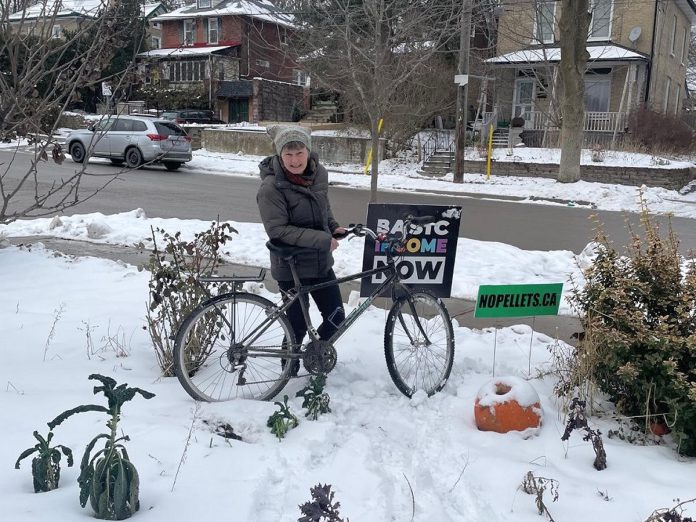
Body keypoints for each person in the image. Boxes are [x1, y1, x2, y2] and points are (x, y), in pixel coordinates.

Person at [257, 125, 346, 356]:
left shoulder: (319, 174)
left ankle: (312, 356)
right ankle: (289, 372)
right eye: (288, 154)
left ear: (308, 151)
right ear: (279, 155)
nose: (295, 160)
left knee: (337, 317)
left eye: (299, 153)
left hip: (320, 264)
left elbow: (323, 207)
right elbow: (278, 230)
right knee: (295, 328)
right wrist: (321, 239)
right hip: (290, 266)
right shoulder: (270, 187)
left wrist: (334, 227)